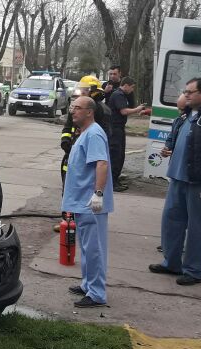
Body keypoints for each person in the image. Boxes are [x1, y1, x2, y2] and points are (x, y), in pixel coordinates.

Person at [149, 77, 201, 286]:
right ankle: (172, 263)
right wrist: (169, 149)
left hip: (198, 182)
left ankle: (194, 271)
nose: (186, 95)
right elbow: (178, 141)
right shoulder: (185, 116)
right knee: (171, 221)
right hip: (177, 178)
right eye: (185, 92)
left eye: (190, 92)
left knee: (197, 227)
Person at [62, 96, 114, 308]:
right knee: (86, 247)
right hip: (81, 202)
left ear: (89, 112)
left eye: (77, 108)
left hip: (91, 203)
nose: (73, 111)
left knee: (94, 249)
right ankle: (88, 285)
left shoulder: (94, 134)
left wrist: (98, 194)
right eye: (72, 107)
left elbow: (102, 164)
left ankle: (97, 293)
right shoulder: (84, 132)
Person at [157, 90, 190, 252]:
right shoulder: (178, 120)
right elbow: (170, 139)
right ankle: (171, 243)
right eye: (178, 109)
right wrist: (166, 149)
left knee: (190, 213)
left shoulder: (197, 122)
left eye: (182, 109)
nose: (180, 112)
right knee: (173, 211)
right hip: (175, 171)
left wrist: (175, 150)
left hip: (189, 175)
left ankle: (190, 246)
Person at [107, 77, 146, 192]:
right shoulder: (118, 95)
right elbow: (123, 111)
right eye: (132, 87)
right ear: (126, 85)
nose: (132, 90)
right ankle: (112, 183)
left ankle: (115, 180)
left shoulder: (122, 95)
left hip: (119, 128)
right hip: (115, 129)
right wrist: (137, 109)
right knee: (116, 156)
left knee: (120, 155)